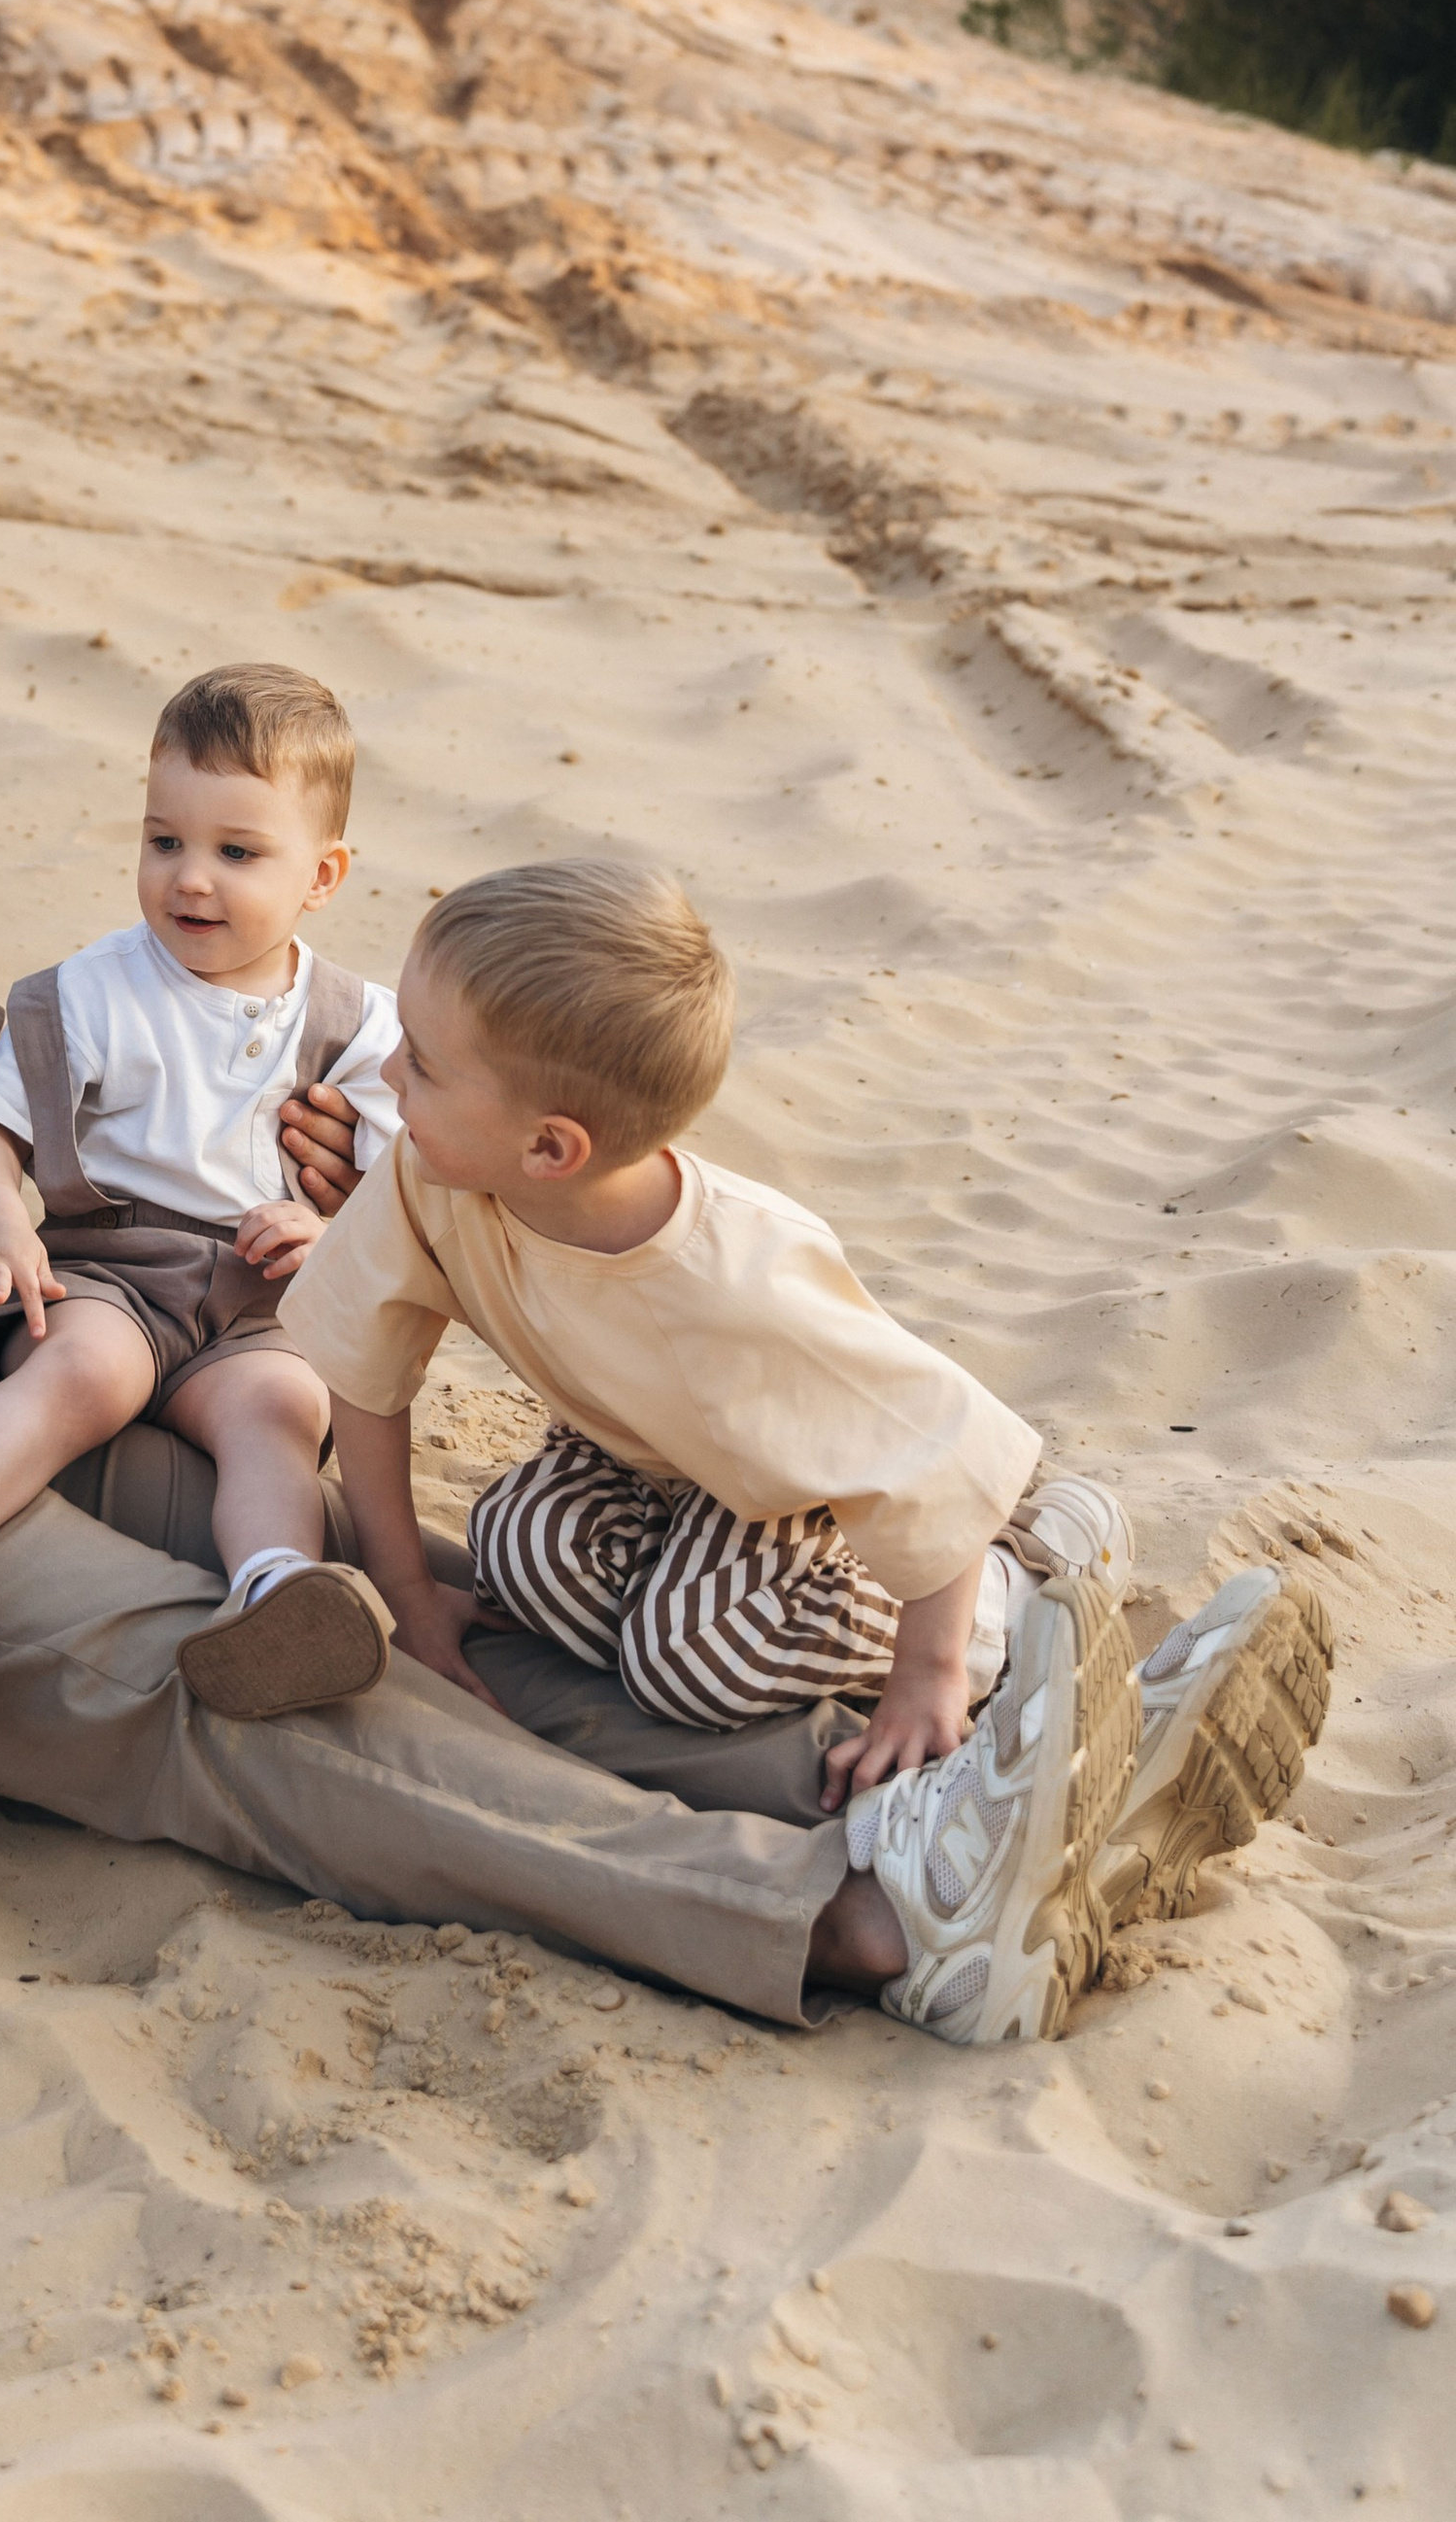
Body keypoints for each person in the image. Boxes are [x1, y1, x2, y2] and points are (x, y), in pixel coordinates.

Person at [0, 467, 1308, 2052]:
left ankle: (953, 1777)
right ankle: (852, 1921)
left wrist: (247, 1138)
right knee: (206, 1694)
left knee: (371, 1592)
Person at [281, 856, 1335, 2041]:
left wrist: (929, 1675)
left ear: (550, 1149)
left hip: (818, 1492)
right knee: (516, 1548)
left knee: (692, 1659)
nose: (385, 1073)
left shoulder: (743, 1278)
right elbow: (366, 1378)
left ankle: (1023, 1574)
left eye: (419, 1062)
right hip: (648, 1469)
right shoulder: (434, 1178)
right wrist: (408, 1592)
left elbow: (917, 1448)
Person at [0, 664, 403, 1771]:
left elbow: (404, 1187)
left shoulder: (360, 1022)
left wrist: (334, 1234)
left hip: (257, 1299)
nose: (190, 879)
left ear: (321, 875)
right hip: (113, 1270)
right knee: (85, 1377)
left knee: (279, 1409)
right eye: (163, 839)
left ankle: (273, 1594)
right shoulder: (92, 991)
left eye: (237, 852)